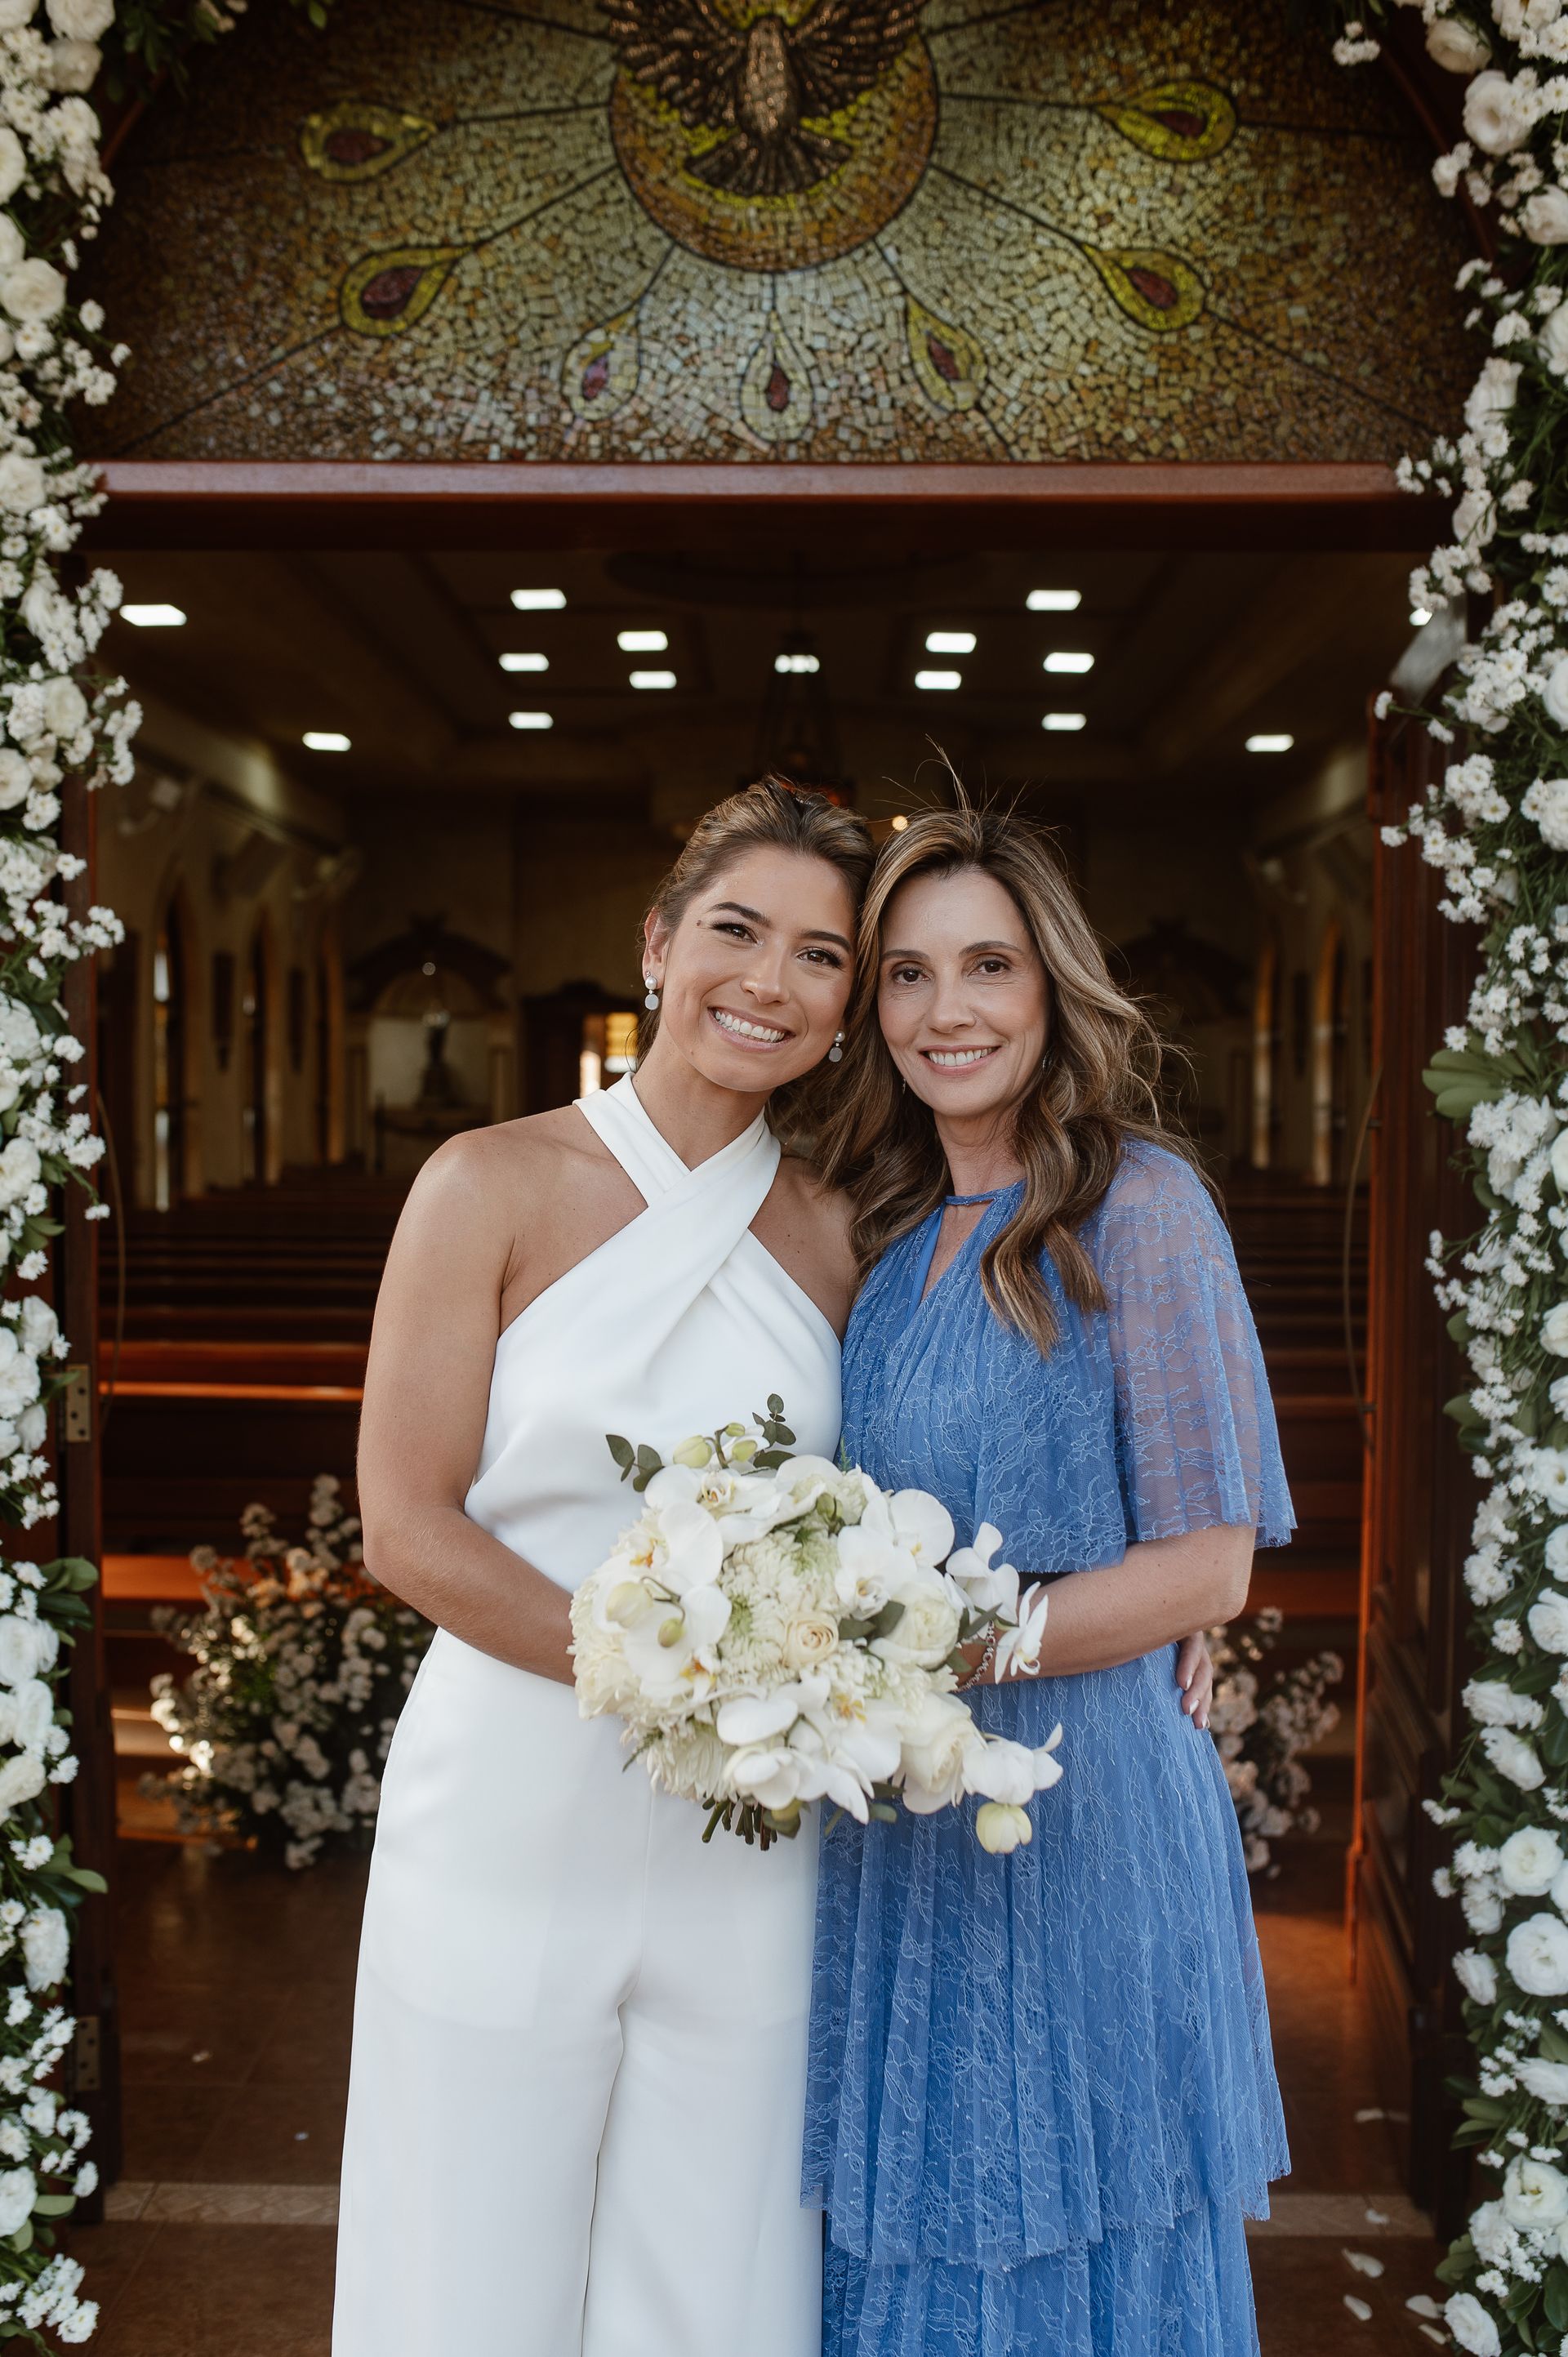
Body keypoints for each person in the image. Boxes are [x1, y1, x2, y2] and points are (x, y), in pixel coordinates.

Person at [332, 779, 874, 2357]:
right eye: (736, 930)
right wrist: (670, 1676)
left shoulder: (844, 1228)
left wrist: (1147, 1604)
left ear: (848, 1008)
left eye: (822, 956)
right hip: (512, 1793)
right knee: (467, 2250)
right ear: (657, 944)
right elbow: (406, 1523)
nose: (768, 982)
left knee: (720, 2263)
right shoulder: (486, 1182)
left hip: (747, 1836)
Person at [804, 802, 1292, 2357]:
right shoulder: (891, 1232)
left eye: (988, 965)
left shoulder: (1140, 1209)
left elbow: (1206, 1561)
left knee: (1077, 2242)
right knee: (929, 2231)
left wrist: (931, 1656)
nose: (948, 1010)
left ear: (1052, 985)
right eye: (907, 973)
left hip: (1082, 1818)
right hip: (907, 1825)